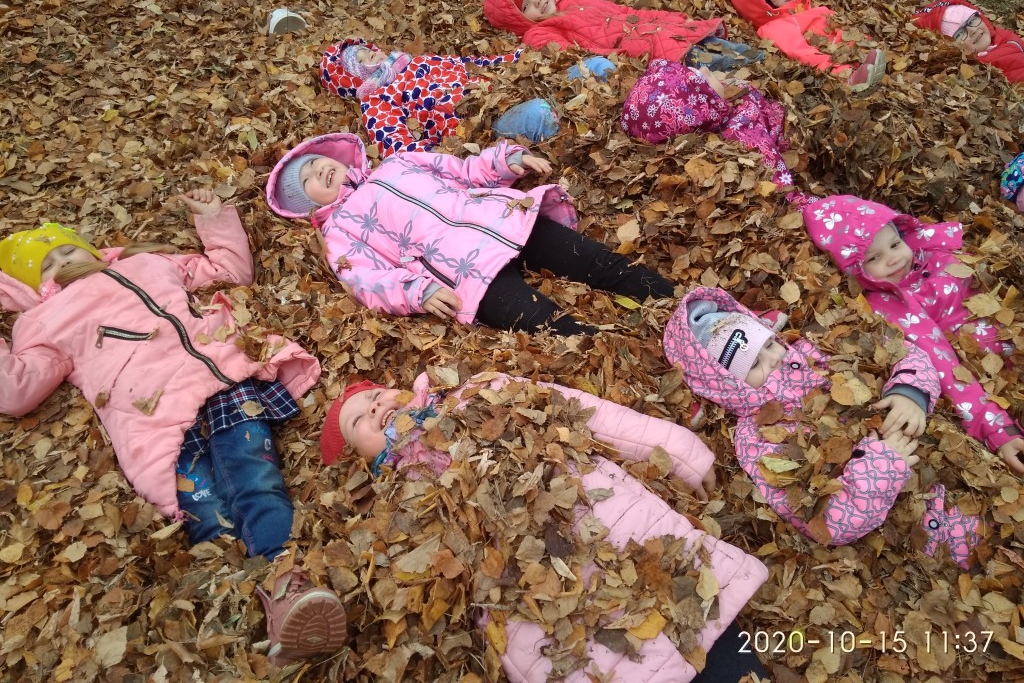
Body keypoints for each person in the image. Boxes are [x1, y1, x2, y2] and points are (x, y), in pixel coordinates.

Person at [0, 190, 347, 665]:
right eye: (47, 265)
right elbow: (16, 390)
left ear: (89, 248)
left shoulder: (147, 263)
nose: (63, 262)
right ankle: (242, 626)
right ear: (30, 289)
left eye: (66, 250)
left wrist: (214, 218)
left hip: (218, 383)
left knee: (254, 477)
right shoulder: (42, 322)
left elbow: (228, 271)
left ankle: (287, 582)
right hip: (152, 421)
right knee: (206, 515)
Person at [320, 372, 771, 683]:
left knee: (706, 627)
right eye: (357, 420)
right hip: (545, 617)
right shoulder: (398, 504)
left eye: (376, 394)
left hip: (619, 531)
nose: (374, 407)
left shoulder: (476, 392)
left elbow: (590, 415)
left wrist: (679, 451)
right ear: (361, 461)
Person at [663, 286, 983, 568]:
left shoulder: (817, 351)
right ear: (727, 386)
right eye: (754, 364)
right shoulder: (757, 439)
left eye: (769, 344)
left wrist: (909, 393)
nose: (774, 359)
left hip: (963, 473)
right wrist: (883, 465)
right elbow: (825, 521)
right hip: (922, 541)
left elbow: (899, 349)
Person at [266, 133, 674, 335]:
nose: (319, 170)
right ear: (307, 206)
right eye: (308, 180)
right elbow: (366, 280)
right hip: (463, 274)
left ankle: (670, 300)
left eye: (316, 163)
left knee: (595, 260)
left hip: (500, 220)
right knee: (545, 322)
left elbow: (462, 170)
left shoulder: (396, 163)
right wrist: (417, 291)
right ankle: (610, 345)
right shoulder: (340, 232)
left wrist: (507, 161)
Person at [802, 194, 1024, 477]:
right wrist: (994, 427)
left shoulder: (936, 252)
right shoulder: (891, 303)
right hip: (1000, 375)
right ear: (854, 270)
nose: (893, 258)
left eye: (895, 244)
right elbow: (942, 363)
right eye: (874, 258)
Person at [320, 38, 559, 158]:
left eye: (368, 51)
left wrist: (516, 59)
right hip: (474, 129)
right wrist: (441, 157)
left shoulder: (418, 61)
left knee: (580, 70)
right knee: (541, 113)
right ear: (353, 78)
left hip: (498, 92)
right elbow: (396, 145)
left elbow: (469, 64)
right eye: (361, 61)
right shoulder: (376, 99)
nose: (370, 57)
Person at [483, 0, 763, 68]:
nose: (537, 1)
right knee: (709, 60)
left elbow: (625, 12)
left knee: (715, 43)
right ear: (519, 20)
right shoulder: (538, 33)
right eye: (527, 7)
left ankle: (758, 58)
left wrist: (671, 18)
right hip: (640, 50)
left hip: (656, 30)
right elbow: (574, 57)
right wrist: (621, 59)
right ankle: (749, 66)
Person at [620, 59, 793, 187]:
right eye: (703, 78)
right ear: (702, 112)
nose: (704, 68)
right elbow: (776, 177)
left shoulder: (716, 110)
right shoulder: (740, 133)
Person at [727, 0, 887, 91]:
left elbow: (841, 26)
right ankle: (850, 77)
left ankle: (868, 56)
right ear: (763, 0)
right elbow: (799, 52)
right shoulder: (775, 26)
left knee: (852, 37)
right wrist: (838, 70)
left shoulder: (808, 10)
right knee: (814, 56)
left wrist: (862, 42)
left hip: (845, 47)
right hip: (830, 59)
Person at [912, 0, 1024, 84]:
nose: (972, 30)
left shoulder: (1005, 37)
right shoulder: (976, 71)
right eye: (960, 33)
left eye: (972, 21)